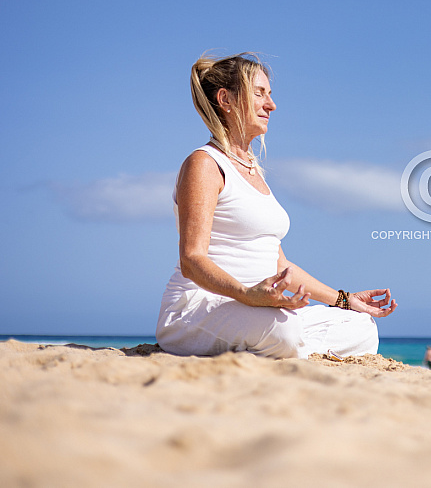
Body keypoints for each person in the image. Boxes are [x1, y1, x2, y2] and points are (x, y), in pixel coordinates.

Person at [156, 53, 397, 359]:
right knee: (284, 331)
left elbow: (280, 267)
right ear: (225, 99)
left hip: (258, 307)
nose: (271, 105)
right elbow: (192, 260)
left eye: (270, 95)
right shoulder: (204, 164)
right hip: (199, 308)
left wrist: (344, 300)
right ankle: (287, 345)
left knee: (362, 326)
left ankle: (286, 346)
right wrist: (248, 295)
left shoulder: (254, 171)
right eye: (260, 94)